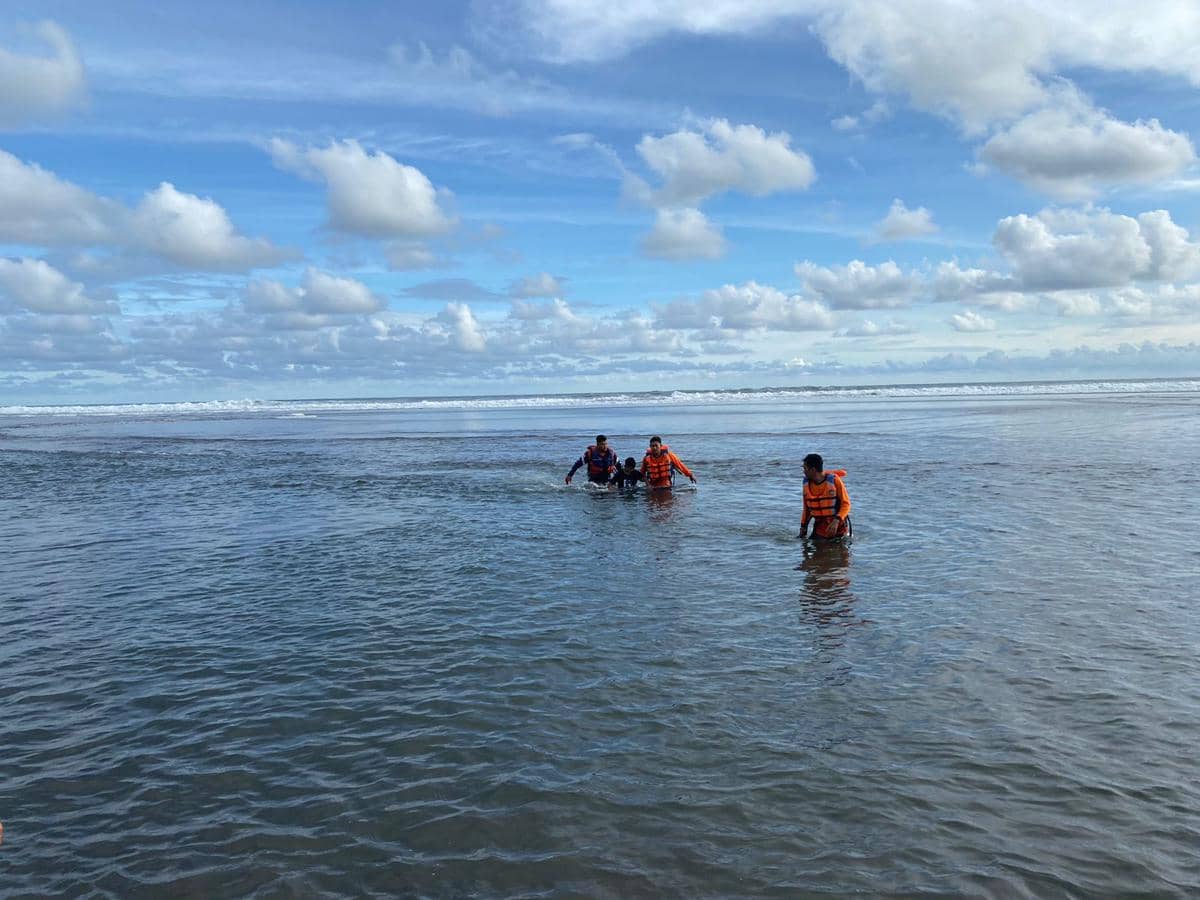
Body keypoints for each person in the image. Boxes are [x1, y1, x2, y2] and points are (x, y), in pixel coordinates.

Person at [798, 453, 851, 540]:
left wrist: (836, 521)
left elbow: (846, 504)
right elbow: (806, 509)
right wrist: (803, 526)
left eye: (805, 468)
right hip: (820, 527)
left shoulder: (834, 480)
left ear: (813, 470)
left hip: (838, 527)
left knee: (837, 547)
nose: (803, 471)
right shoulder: (806, 484)